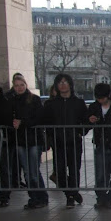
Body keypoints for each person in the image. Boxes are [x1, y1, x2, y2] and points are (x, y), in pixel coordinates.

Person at [40, 73, 88, 208]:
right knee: (60, 172)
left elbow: (85, 121)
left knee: (74, 170)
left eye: (65, 82)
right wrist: (51, 135)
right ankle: (70, 192)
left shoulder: (78, 103)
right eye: (60, 82)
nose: (62, 84)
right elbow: (45, 121)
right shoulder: (51, 104)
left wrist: (80, 132)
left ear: (70, 84)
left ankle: (71, 196)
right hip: (58, 142)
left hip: (74, 141)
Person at [10, 75, 49, 209]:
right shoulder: (12, 100)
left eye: (21, 85)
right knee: (27, 172)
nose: (19, 88)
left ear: (26, 85)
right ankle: (33, 197)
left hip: (34, 140)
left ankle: (42, 197)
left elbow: (39, 118)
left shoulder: (34, 99)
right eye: (16, 85)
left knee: (33, 171)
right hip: (20, 140)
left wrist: (22, 123)